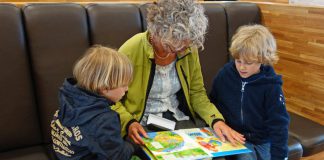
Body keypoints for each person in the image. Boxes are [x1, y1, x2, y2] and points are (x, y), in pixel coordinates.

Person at [113, 0, 245, 146]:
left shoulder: (187, 48)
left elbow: (197, 93)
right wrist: (128, 122)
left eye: (185, 44)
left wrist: (216, 120)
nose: (182, 49)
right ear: (157, 32)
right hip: (140, 122)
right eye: (172, 45)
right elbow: (110, 99)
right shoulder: (130, 50)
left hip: (177, 119)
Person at [209, 24, 290, 160]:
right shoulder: (225, 74)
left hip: (263, 140)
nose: (241, 67)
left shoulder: (271, 85)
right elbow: (213, 103)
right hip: (234, 137)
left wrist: (280, 156)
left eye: (248, 63)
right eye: (238, 60)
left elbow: (279, 125)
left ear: (263, 59)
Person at [50, 45, 139, 160]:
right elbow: (118, 156)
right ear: (104, 88)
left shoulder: (69, 96)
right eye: (123, 85)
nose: (127, 89)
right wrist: (133, 145)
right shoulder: (104, 120)